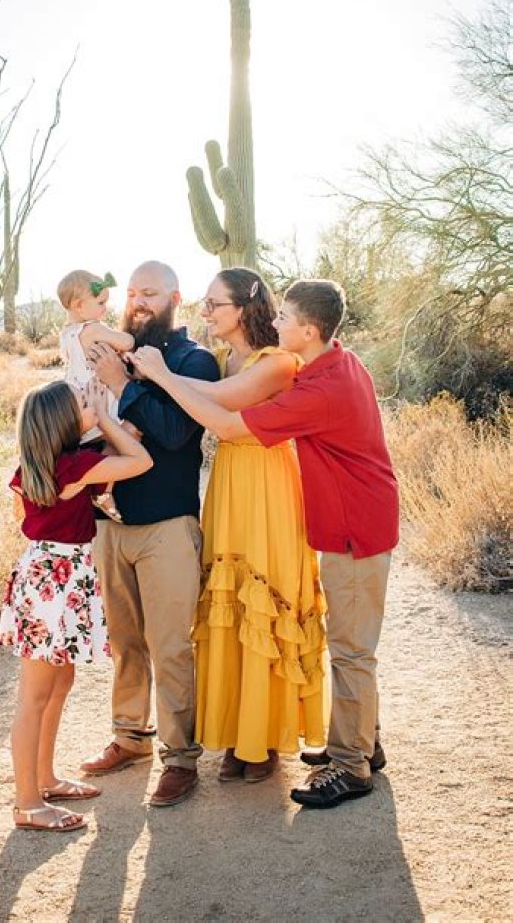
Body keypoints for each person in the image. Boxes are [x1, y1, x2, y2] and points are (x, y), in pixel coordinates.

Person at [132, 278, 399, 810]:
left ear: (308, 328)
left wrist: (161, 376)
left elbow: (231, 427)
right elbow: (227, 399)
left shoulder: (321, 388)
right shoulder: (335, 364)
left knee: (351, 648)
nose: (273, 322)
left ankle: (351, 767)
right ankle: (362, 743)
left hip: (355, 527)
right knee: (348, 639)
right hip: (354, 518)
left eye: (284, 318)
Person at [174, 268, 327, 783]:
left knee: (265, 597)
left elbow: (229, 401)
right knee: (229, 603)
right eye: (204, 303)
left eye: (215, 304)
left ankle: (266, 740)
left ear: (244, 308)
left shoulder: (277, 362)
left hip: (268, 487)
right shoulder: (219, 361)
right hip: (228, 483)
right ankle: (238, 736)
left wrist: (159, 375)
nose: (207, 312)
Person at [80, 260, 219, 807]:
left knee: (170, 645)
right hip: (111, 526)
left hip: (167, 524)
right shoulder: (111, 352)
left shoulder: (194, 361)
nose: (138, 301)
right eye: (133, 292)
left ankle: (181, 757)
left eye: (151, 293)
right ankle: (129, 738)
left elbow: (178, 432)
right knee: (126, 644)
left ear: (175, 299)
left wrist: (124, 386)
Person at [0, 380, 152, 832]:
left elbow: (24, 519)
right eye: (83, 404)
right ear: (66, 421)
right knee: (34, 695)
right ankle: (27, 802)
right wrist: (105, 420)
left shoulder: (37, 468)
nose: (92, 404)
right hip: (55, 584)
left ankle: (44, 778)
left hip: (46, 575)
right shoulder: (75, 466)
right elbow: (141, 462)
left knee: (60, 680)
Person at [56, 268, 136, 521]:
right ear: (79, 305)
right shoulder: (93, 329)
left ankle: (93, 488)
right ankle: (105, 489)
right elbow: (127, 342)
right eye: (101, 303)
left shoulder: (66, 334)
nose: (105, 308)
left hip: (78, 401)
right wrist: (125, 337)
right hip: (99, 396)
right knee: (124, 433)